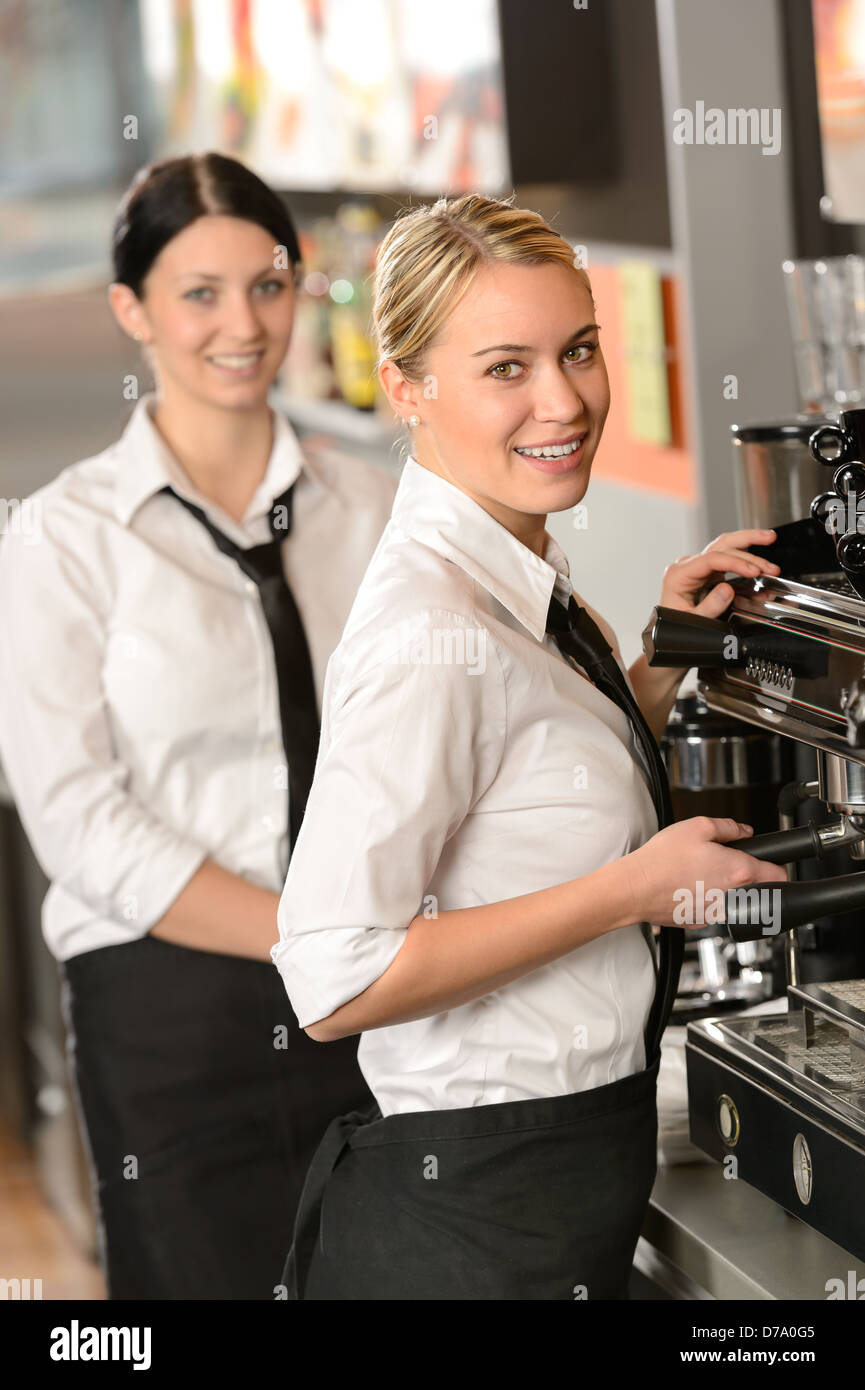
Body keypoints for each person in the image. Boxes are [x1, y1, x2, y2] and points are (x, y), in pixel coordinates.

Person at [271, 192, 787, 1301]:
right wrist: (630, 890)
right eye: (506, 366)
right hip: (468, 1227)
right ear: (405, 388)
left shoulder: (515, 582)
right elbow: (332, 970)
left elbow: (530, 786)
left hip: (544, 1194)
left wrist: (661, 655)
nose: (564, 400)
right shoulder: (431, 626)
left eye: (581, 349)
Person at [0, 152, 397, 1300]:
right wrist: (304, 933)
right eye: (199, 293)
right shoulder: (65, 538)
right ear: (132, 309)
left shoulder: (369, 510)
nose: (242, 323)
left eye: (267, 286)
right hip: (172, 1010)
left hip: (371, 1002)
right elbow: (76, 820)